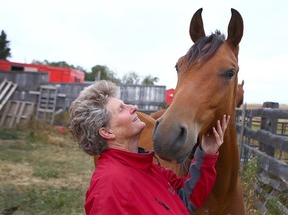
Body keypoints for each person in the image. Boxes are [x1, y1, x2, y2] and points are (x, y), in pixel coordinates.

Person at [69, 80, 230, 215]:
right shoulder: (109, 187)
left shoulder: (149, 168)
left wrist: (206, 153)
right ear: (106, 132)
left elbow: (187, 197)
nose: (133, 107)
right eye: (122, 109)